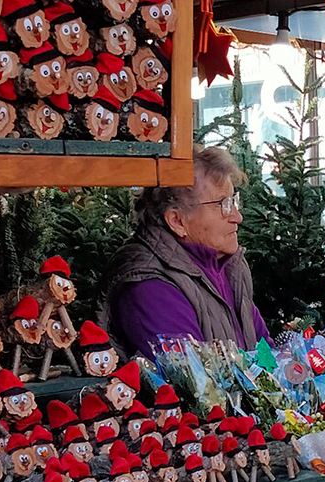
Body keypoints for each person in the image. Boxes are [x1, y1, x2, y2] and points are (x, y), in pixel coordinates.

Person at [97, 145, 273, 360]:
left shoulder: (227, 266)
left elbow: (267, 355)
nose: (237, 217)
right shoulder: (150, 287)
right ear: (177, 221)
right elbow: (193, 375)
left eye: (233, 201)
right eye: (222, 204)